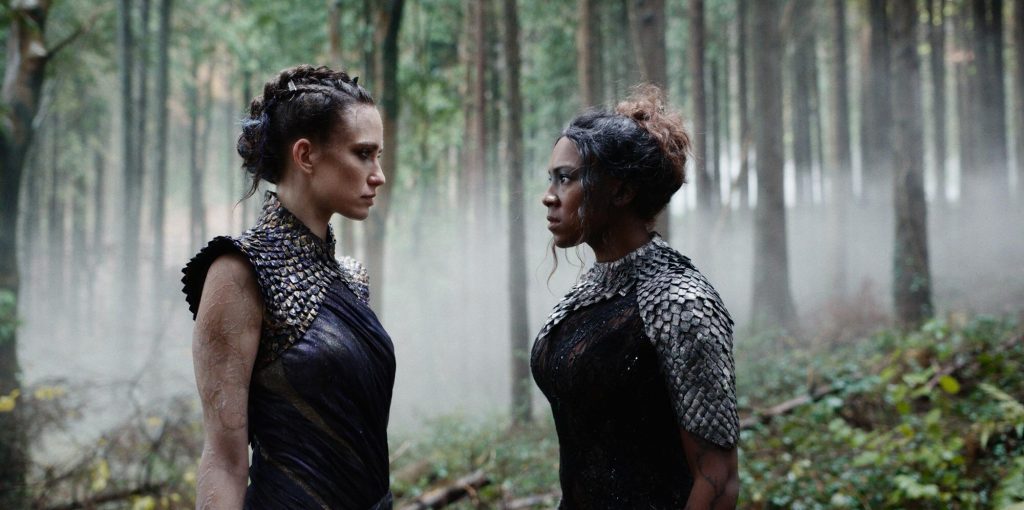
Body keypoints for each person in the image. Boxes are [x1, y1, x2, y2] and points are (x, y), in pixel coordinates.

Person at [181, 65, 395, 509]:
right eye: (363, 154)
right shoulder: (237, 271)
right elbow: (224, 459)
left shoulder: (352, 278)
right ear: (306, 155)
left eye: (378, 156)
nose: (378, 174)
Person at [531, 85, 740, 509]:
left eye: (566, 178)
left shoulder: (682, 303)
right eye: (551, 178)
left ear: (621, 191)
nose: (549, 196)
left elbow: (718, 479)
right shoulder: (586, 294)